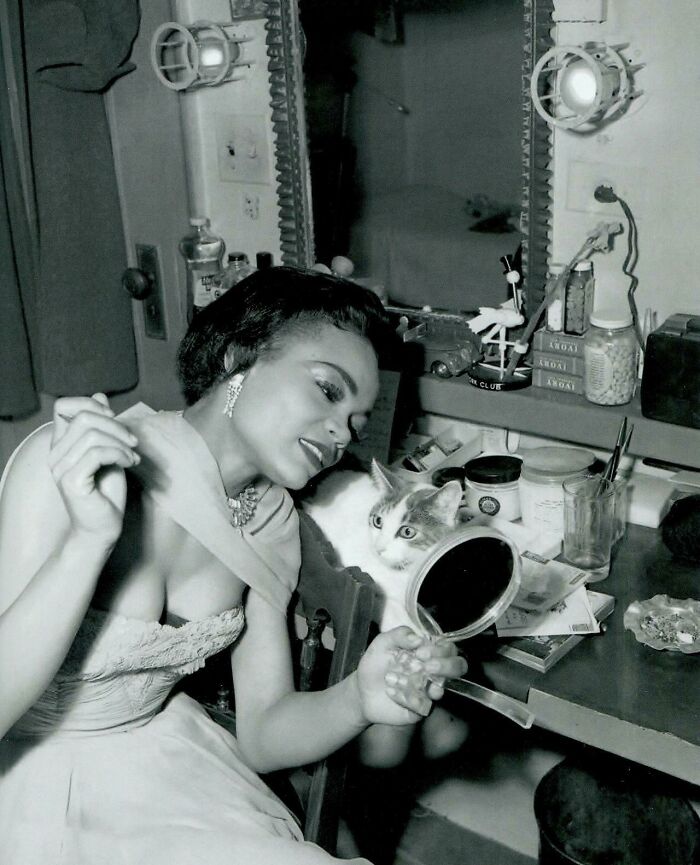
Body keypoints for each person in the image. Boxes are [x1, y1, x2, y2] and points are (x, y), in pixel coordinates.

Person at [0, 266, 466, 865]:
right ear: (236, 359)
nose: (341, 433)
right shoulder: (71, 462)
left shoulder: (271, 523)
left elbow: (264, 733)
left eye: (357, 422)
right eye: (329, 390)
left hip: (162, 767)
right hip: (27, 785)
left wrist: (359, 698)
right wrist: (88, 542)